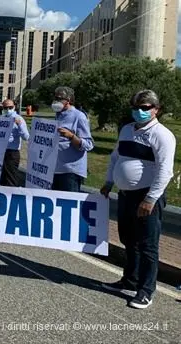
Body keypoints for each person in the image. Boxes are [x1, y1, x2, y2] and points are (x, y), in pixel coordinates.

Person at [100, 90, 176, 309]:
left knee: (147, 245)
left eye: (145, 107)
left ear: (156, 109)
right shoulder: (126, 130)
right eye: (136, 107)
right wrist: (108, 182)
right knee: (128, 240)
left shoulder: (162, 135)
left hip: (146, 197)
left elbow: (165, 170)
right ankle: (129, 280)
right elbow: (116, 157)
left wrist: (151, 199)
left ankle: (145, 290)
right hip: (125, 195)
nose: (139, 111)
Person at [51, 86, 94, 192]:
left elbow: (89, 144)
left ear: (68, 100)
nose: (56, 101)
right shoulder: (59, 115)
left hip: (70, 172)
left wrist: (71, 136)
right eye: (55, 98)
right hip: (56, 169)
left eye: (59, 98)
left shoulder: (79, 116)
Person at [0, 99, 29, 186]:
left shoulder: (19, 119)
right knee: (2, 177)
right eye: (6, 107)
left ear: (14, 107)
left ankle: (11, 196)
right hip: (1, 151)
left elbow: (26, 137)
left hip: (12, 152)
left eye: (10, 107)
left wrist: (19, 125)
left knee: (11, 177)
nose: (8, 109)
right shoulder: (2, 118)